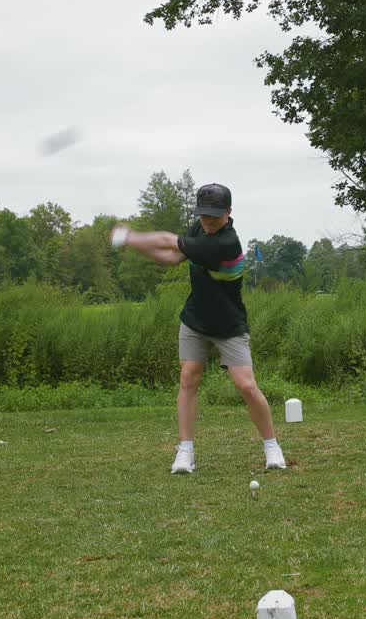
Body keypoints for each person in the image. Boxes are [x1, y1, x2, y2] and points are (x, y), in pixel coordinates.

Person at [110, 183, 286, 474]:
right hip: (195, 319)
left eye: (215, 215)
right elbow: (170, 258)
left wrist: (130, 237)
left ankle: (272, 447)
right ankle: (185, 451)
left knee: (246, 385)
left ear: (229, 212)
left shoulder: (226, 243)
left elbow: (168, 240)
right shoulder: (199, 229)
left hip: (229, 323)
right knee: (188, 379)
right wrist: (133, 246)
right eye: (204, 215)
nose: (208, 221)